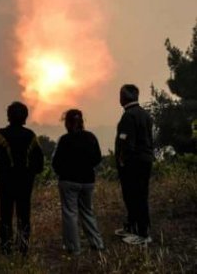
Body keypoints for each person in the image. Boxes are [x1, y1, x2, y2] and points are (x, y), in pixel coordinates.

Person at [0, 101, 44, 255]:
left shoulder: (1, 134)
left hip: (6, 181)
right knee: (24, 214)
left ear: (8, 117)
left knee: (5, 214)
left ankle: (5, 247)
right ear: (25, 118)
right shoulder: (31, 136)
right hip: (25, 182)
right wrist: (31, 172)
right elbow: (39, 162)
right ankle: (23, 247)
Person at [52, 109, 105, 255]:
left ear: (67, 123)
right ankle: (97, 243)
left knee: (70, 214)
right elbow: (97, 158)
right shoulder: (91, 137)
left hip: (68, 181)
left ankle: (73, 248)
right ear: (82, 121)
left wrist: (62, 172)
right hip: (88, 181)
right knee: (87, 211)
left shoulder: (64, 140)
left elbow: (55, 162)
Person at [114, 84, 154, 245]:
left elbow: (125, 142)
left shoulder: (128, 116)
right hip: (145, 160)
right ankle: (132, 227)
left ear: (123, 97)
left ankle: (142, 234)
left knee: (134, 196)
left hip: (133, 163)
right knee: (139, 195)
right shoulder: (145, 114)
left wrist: (122, 161)